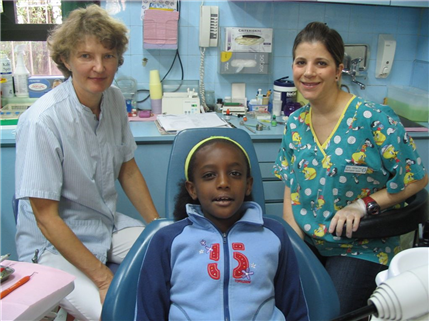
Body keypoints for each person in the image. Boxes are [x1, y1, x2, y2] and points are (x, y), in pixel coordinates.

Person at [14, 4, 159, 320]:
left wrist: (157, 227)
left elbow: (127, 168)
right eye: (85, 56)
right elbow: (46, 219)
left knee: (173, 252)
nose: (99, 67)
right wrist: (103, 278)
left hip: (103, 225)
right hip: (52, 245)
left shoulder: (114, 99)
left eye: (108, 56)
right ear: (65, 59)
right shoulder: (42, 121)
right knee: (116, 313)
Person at [273, 21, 428, 316]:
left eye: (321, 63)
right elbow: (291, 188)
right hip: (312, 241)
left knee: (330, 312)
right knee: (286, 305)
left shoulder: (373, 119)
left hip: (362, 245)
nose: (308, 72)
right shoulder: (295, 124)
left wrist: (363, 205)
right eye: (300, 62)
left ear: (338, 70)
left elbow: (415, 180)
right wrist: (294, 245)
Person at [135, 136, 309, 321]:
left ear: (248, 185)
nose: (223, 183)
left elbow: (294, 306)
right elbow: (149, 312)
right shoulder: (167, 240)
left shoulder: (274, 235)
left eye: (235, 174)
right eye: (209, 175)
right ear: (192, 189)